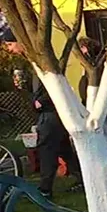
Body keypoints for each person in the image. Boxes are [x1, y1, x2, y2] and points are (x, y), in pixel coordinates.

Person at [28, 66, 81, 198]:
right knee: (65, 151)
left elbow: (52, 92)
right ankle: (83, 179)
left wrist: (39, 102)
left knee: (47, 151)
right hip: (58, 116)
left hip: (49, 117)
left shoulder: (43, 71)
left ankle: (45, 189)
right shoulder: (49, 72)